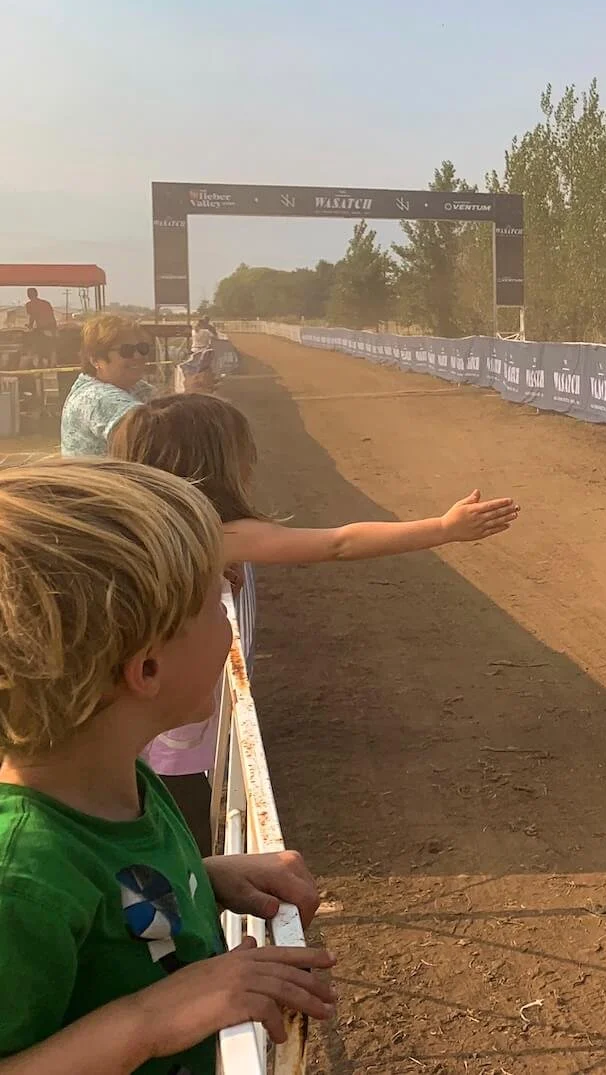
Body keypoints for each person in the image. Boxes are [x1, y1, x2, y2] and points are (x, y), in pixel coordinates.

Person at [0, 457, 335, 1073]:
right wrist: (148, 1022)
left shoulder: (111, 780)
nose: (228, 627)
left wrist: (199, 880)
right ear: (147, 668)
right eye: (216, 608)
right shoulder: (19, 884)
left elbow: (104, 899)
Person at [109, 392, 520, 849]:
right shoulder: (214, 533)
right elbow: (337, 544)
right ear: (212, 466)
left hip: (127, 724)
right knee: (185, 834)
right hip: (174, 743)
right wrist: (443, 529)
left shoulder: (144, 531)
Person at [59, 314, 156, 456]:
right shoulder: (96, 397)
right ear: (95, 360)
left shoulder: (137, 387)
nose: (138, 356)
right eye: (126, 351)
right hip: (101, 478)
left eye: (142, 348)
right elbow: (157, 437)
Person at [23, 288, 58, 367]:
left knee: (31, 343)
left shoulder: (29, 304)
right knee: (52, 347)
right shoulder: (46, 303)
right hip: (53, 328)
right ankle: (51, 361)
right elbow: (52, 316)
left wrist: (30, 326)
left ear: (28, 295)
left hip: (42, 329)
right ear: (37, 294)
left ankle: (36, 359)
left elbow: (33, 316)